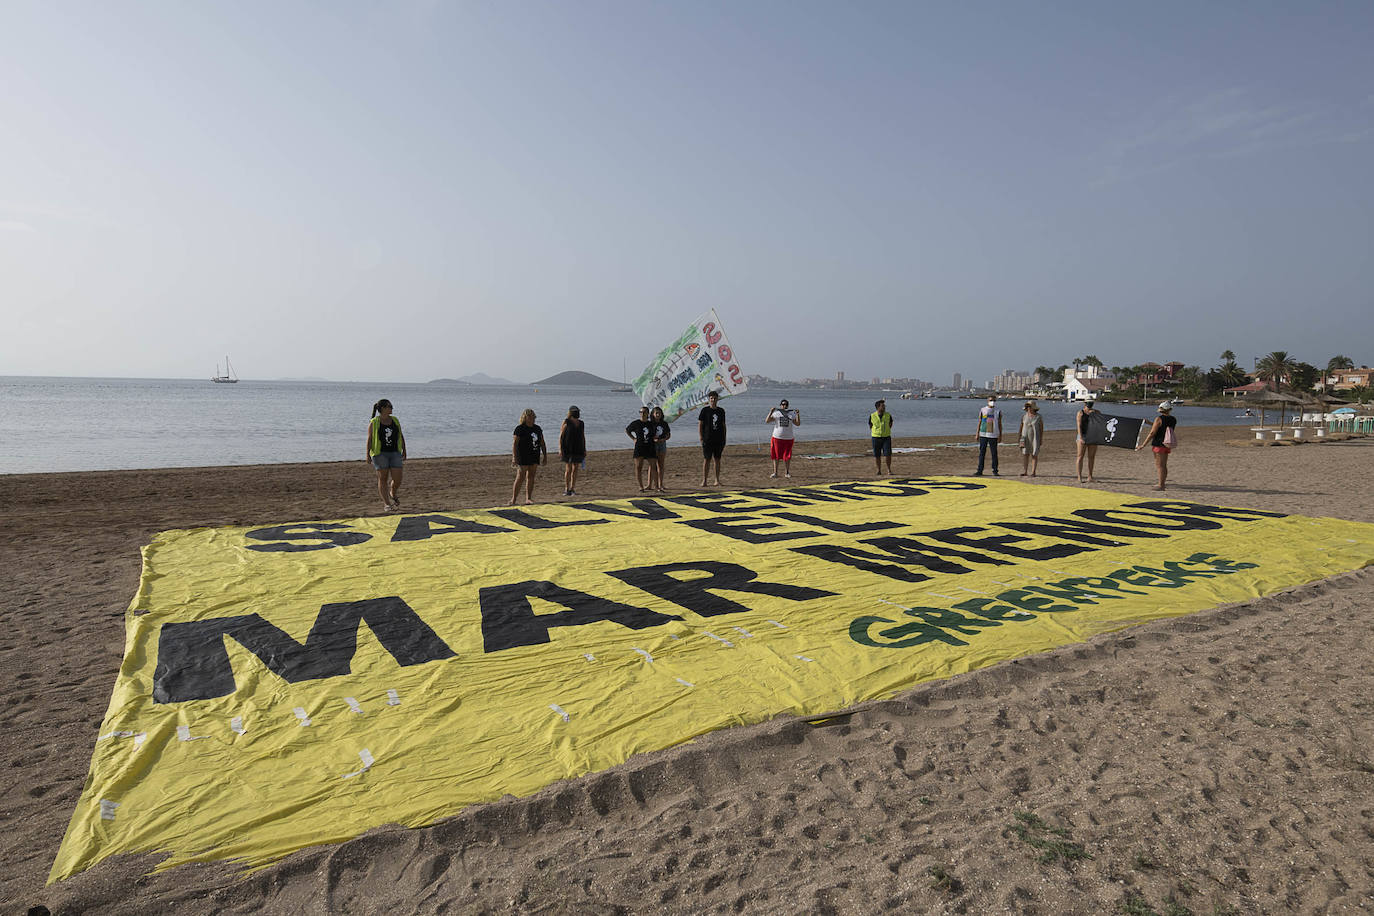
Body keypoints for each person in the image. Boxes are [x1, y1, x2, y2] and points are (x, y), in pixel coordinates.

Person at [365, 398, 406, 511]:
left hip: (395, 452)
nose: (392, 408)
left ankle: (393, 492)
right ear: (383, 408)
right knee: (383, 478)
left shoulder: (395, 420)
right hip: (380, 454)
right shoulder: (374, 422)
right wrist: (367, 455)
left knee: (398, 478)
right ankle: (387, 504)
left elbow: (400, 435)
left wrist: (404, 450)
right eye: (390, 406)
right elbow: (369, 439)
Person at [1137, 402, 1179, 490]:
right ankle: (1162, 483)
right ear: (1169, 409)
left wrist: (1143, 445)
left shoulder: (1159, 419)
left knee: (1160, 465)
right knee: (1163, 465)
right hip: (1167, 443)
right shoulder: (1173, 419)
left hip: (1159, 444)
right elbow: (1162, 427)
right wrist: (1150, 423)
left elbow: (1152, 432)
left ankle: (1161, 485)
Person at [510, 408, 546, 505]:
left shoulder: (537, 428)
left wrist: (545, 455)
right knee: (520, 477)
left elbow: (542, 442)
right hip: (522, 455)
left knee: (531, 476)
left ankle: (528, 498)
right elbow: (515, 444)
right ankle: (513, 499)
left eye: (533, 417)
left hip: (534, 454)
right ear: (525, 417)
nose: (532, 418)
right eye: (530, 417)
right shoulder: (520, 428)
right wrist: (514, 457)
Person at [765, 398, 800, 479]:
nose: (784, 406)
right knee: (776, 456)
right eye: (783, 404)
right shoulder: (777, 413)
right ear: (780, 405)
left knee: (787, 456)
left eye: (786, 405)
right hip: (777, 437)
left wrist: (798, 414)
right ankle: (775, 472)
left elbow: (797, 424)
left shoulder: (791, 414)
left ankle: (787, 472)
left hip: (788, 438)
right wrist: (771, 411)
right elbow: (767, 421)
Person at [698, 391, 727, 486]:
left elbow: (723, 425)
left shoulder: (721, 411)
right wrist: (701, 437)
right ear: (709, 399)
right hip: (707, 439)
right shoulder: (705, 410)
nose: (713, 400)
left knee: (717, 459)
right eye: (711, 398)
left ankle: (717, 480)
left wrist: (724, 438)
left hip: (719, 439)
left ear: (717, 399)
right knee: (707, 459)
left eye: (715, 398)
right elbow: (700, 424)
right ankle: (704, 480)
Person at [626, 405, 657, 491]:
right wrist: (633, 438)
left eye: (644, 412)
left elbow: (656, 432)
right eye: (641, 412)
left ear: (648, 413)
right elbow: (627, 430)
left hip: (650, 446)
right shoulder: (636, 423)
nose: (642, 414)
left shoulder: (651, 424)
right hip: (639, 447)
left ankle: (656, 486)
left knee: (653, 466)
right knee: (638, 467)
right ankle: (641, 486)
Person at [559, 405, 586, 497]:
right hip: (567, 448)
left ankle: (572, 488)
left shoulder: (581, 423)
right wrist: (560, 449)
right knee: (568, 468)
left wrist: (584, 448)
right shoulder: (566, 422)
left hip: (578, 448)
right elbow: (561, 436)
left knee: (575, 468)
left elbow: (582, 436)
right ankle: (567, 488)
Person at [973, 395, 1002, 476]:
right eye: (990, 400)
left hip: (993, 435)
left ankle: (995, 470)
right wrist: (977, 433)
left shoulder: (998, 411)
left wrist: (1000, 435)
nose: (991, 401)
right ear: (987, 401)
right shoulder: (983, 410)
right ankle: (980, 470)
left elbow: (1000, 424)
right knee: (982, 453)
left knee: (994, 453)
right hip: (983, 434)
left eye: (993, 400)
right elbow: (980, 421)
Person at [1075, 397, 1100, 483]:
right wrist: (1081, 437)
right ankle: (1079, 476)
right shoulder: (1080, 413)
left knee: (1091, 457)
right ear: (1085, 403)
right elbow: (1079, 425)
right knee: (1080, 456)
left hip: (1093, 436)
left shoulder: (1096, 412)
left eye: (1091, 403)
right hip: (1083, 435)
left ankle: (1090, 476)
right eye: (1088, 403)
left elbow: (1100, 422)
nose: (1090, 404)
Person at [1019, 399, 1043, 477]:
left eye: (1030, 406)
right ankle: (1025, 471)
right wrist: (1019, 437)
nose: (1028, 408)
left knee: (1034, 454)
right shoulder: (1024, 416)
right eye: (1027, 406)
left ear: (1033, 407)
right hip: (1025, 437)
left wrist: (1041, 439)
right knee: (1025, 454)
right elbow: (1021, 427)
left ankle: (1033, 472)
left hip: (1035, 438)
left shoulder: (1038, 417)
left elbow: (1041, 428)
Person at [869, 398, 894, 475]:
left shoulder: (888, 415)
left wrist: (886, 430)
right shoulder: (872, 416)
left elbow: (890, 424)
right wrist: (875, 432)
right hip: (876, 437)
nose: (884, 407)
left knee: (888, 454)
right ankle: (879, 470)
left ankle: (889, 469)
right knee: (877, 455)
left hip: (886, 437)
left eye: (884, 406)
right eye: (882, 406)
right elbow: (870, 425)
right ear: (878, 407)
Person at [650, 406, 671, 492]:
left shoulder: (664, 423)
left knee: (661, 464)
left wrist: (664, 439)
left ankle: (661, 484)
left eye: (659, 413)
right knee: (652, 465)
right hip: (653, 445)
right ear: (653, 414)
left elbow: (668, 434)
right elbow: (647, 435)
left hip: (662, 444)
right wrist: (653, 439)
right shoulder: (650, 423)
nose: (658, 415)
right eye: (656, 413)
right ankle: (649, 484)